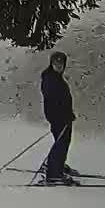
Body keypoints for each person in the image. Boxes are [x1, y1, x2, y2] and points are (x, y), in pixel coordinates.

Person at [39, 51, 77, 183]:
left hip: (61, 116)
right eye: (56, 63)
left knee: (61, 141)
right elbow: (55, 100)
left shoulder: (54, 77)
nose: (59, 66)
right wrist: (65, 115)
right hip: (58, 117)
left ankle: (55, 165)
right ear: (51, 63)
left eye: (61, 63)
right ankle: (54, 173)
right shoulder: (51, 79)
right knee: (62, 142)